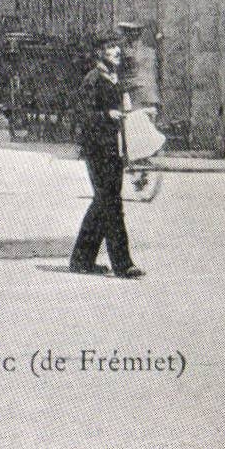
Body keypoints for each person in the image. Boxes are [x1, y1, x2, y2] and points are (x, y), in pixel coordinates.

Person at [69, 36, 144, 279]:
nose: (117, 51)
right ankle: (123, 264)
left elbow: (123, 110)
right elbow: (81, 115)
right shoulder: (93, 79)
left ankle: (82, 260)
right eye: (111, 48)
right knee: (112, 203)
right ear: (99, 52)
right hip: (96, 149)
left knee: (102, 203)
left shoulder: (114, 79)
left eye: (118, 47)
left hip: (113, 147)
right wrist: (105, 115)